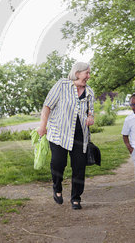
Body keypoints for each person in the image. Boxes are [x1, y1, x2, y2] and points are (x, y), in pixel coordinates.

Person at [37, 62, 95, 210]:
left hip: (80, 135)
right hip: (59, 132)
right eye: (86, 73)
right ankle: (57, 188)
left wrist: (90, 117)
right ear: (77, 73)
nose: (88, 76)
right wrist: (43, 126)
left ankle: (76, 198)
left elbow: (90, 111)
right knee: (58, 163)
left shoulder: (89, 92)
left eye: (89, 73)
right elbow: (47, 106)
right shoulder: (62, 85)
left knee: (79, 167)